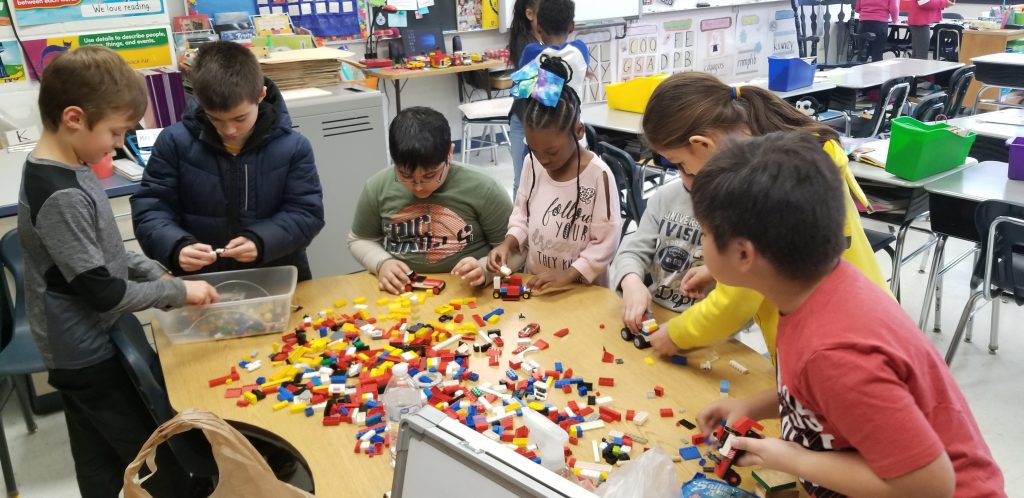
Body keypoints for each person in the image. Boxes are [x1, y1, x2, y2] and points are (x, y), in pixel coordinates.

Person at [691, 132, 1004, 497]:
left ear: (744, 255)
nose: (702, 244)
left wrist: (790, 457)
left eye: (705, 234)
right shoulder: (820, 285)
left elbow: (930, 486)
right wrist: (751, 405)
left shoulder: (834, 351)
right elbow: (820, 397)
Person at [18, 46, 220, 498]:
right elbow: (104, 292)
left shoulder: (74, 163)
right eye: (115, 132)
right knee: (150, 461)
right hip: (83, 353)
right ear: (74, 118)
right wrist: (175, 292)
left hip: (86, 343)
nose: (118, 143)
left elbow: (105, 249)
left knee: (97, 459)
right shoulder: (61, 193)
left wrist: (152, 270)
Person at [639, 72, 889, 359]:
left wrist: (675, 334)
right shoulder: (789, 156)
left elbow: (734, 304)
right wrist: (716, 269)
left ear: (702, 144)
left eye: (681, 164)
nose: (687, 176)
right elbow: (777, 253)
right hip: (859, 311)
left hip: (838, 343)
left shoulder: (755, 187)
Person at [131, 41, 325, 281]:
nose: (230, 130)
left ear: (261, 95)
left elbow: (306, 213)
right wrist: (176, 246)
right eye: (216, 119)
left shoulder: (293, 146)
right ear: (200, 102)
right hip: (202, 286)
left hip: (276, 277)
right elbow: (151, 209)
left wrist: (262, 240)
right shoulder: (174, 143)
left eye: (240, 118)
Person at [488, 56, 621, 291]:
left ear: (579, 132)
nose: (543, 159)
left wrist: (568, 275)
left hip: (582, 289)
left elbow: (606, 242)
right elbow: (521, 215)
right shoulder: (532, 164)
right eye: (534, 149)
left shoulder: (598, 175)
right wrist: (507, 244)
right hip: (538, 284)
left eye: (552, 151)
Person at [348, 107, 513, 295]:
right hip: (402, 293)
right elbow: (359, 239)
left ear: (449, 153)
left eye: (430, 175)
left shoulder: (484, 188)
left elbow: (515, 249)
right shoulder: (377, 187)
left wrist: (485, 269)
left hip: (467, 292)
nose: (418, 186)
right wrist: (381, 263)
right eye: (405, 175)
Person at [510, 0, 589, 196]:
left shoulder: (531, 52)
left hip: (541, 138)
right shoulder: (581, 50)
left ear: (538, 26)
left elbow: (521, 91)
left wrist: (543, 81)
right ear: (572, 26)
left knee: (532, 189)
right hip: (571, 134)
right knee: (569, 188)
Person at [610, 177, 705, 334]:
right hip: (658, 311)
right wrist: (631, 281)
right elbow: (633, 252)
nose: (686, 176)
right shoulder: (664, 196)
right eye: (680, 165)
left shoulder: (740, 202)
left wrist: (713, 273)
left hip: (710, 322)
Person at [506, 0, 540, 195]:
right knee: (522, 184)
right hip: (523, 120)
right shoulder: (524, 43)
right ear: (530, 14)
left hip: (536, 121)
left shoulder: (540, 40)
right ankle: (516, 226)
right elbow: (525, 88)